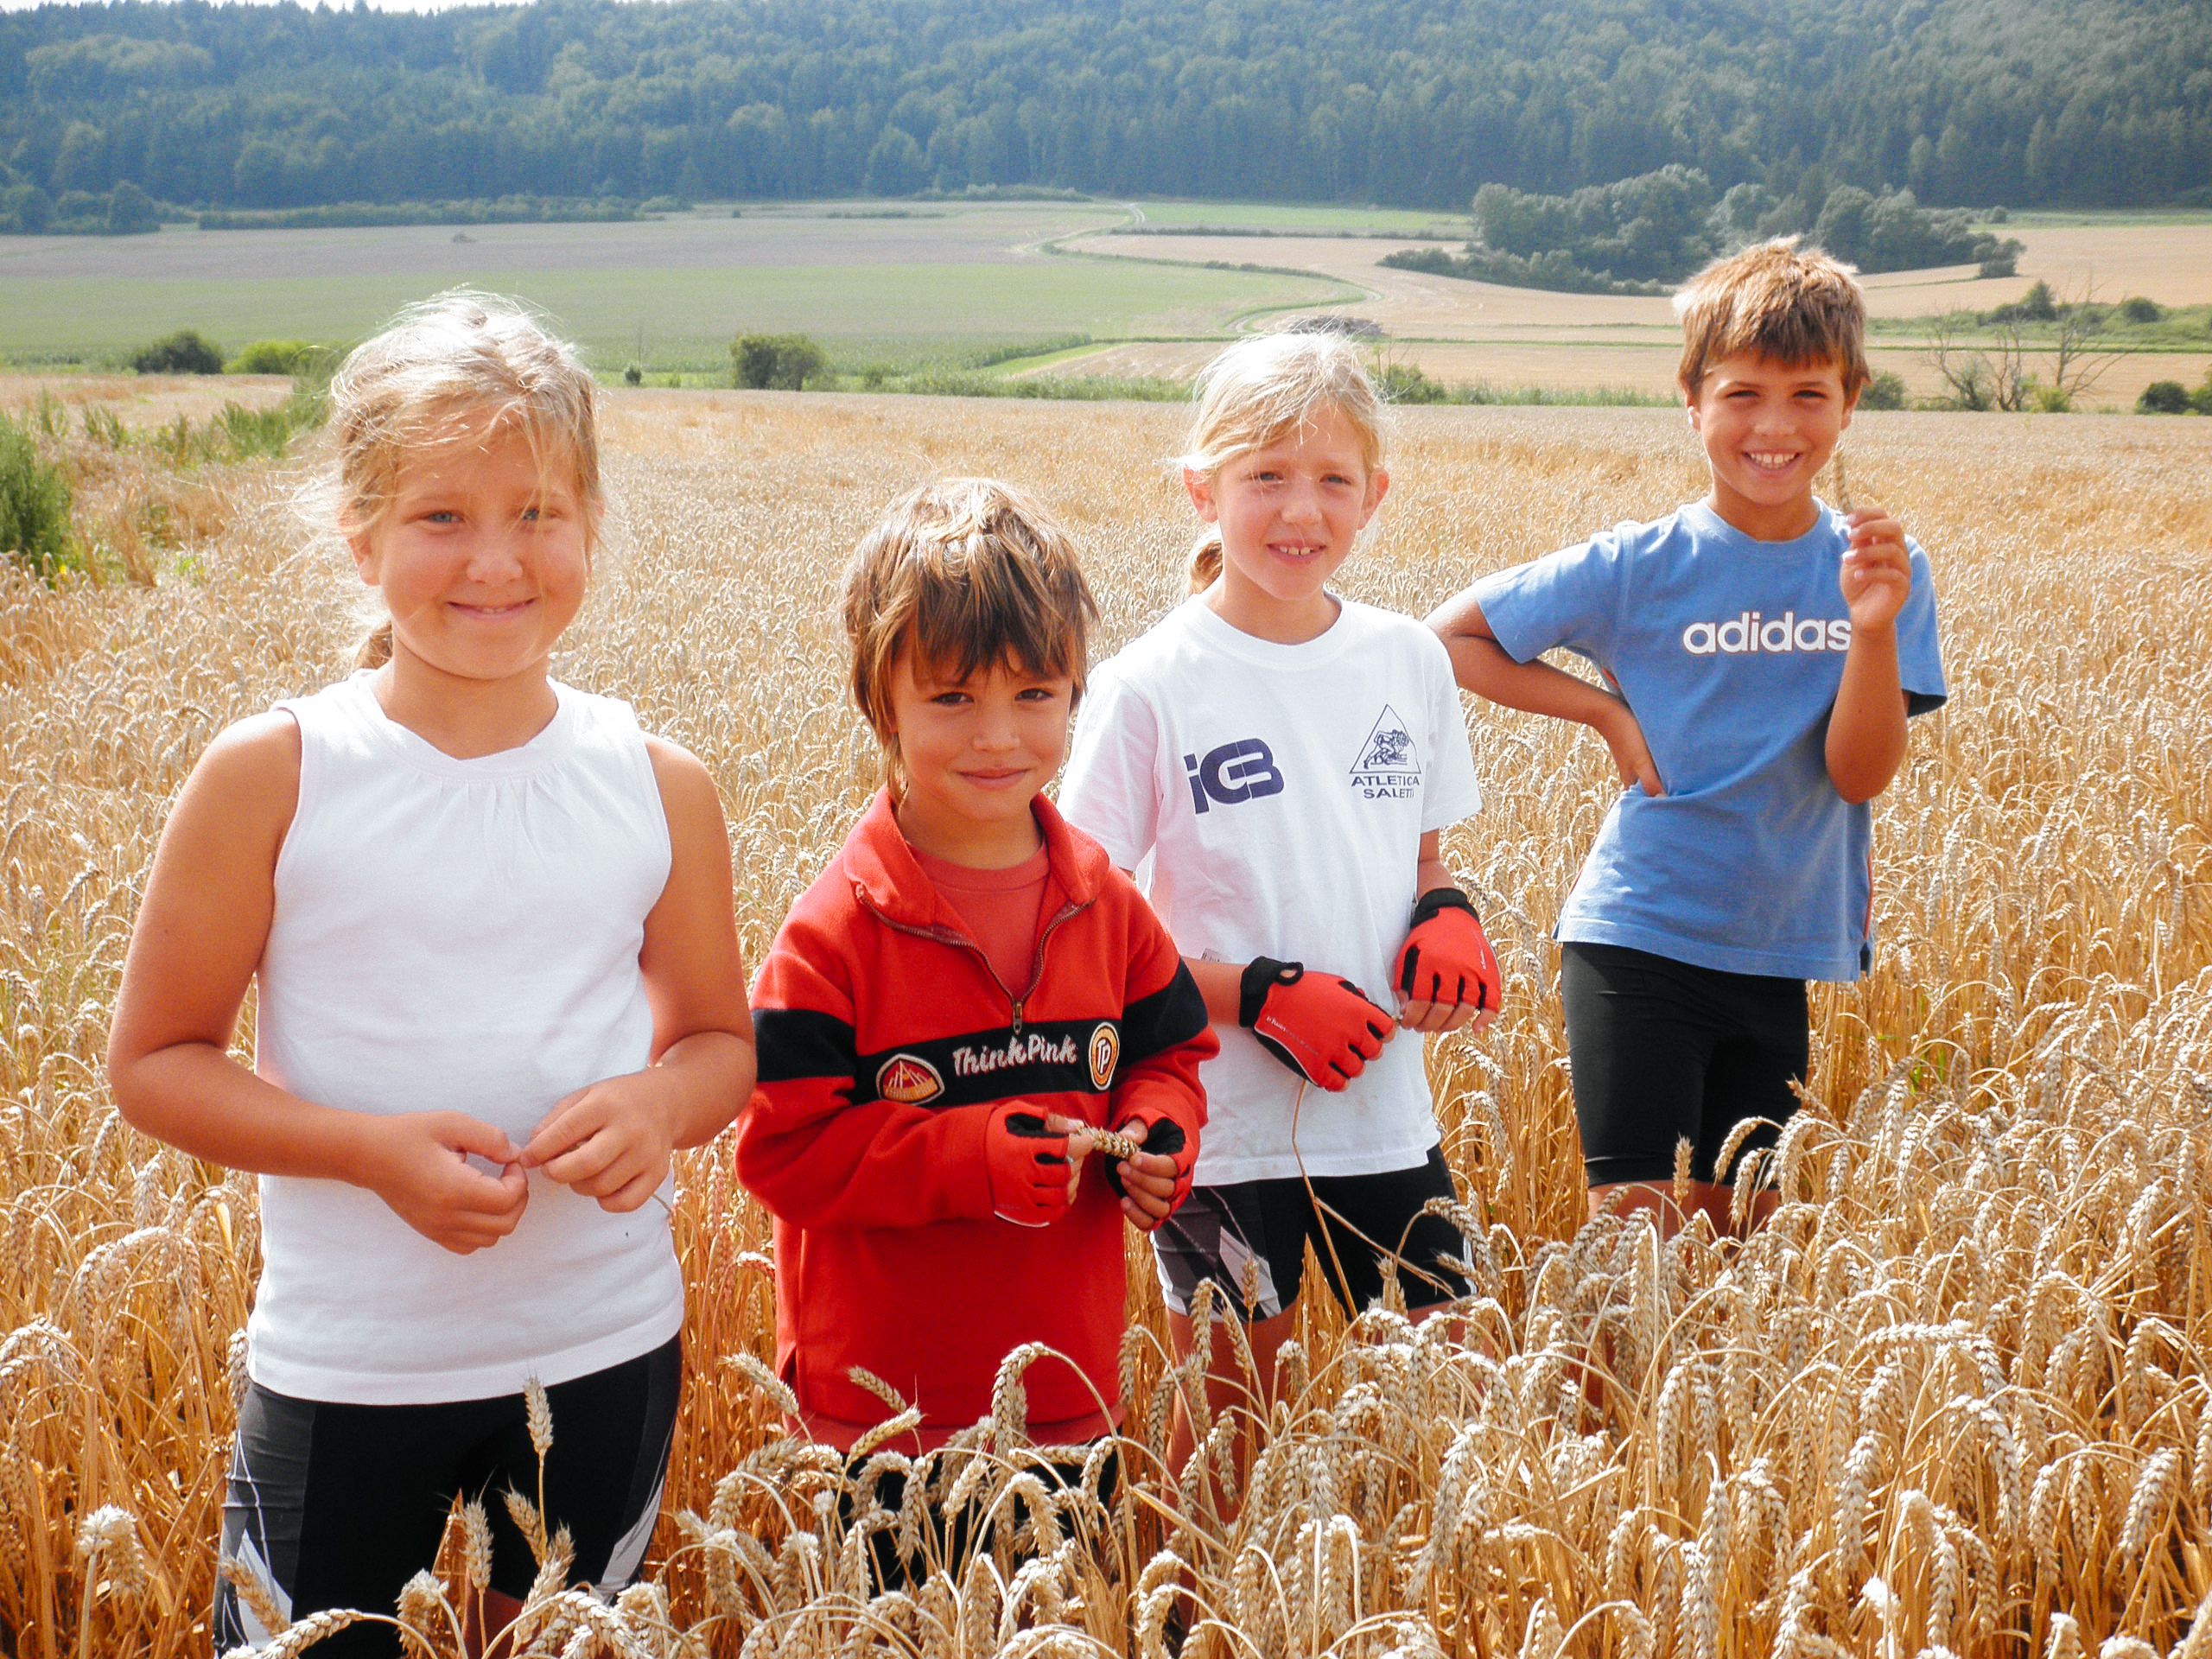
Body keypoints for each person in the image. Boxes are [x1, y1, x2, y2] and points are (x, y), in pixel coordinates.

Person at [105, 293, 756, 1657]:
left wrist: (655, 1109)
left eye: (537, 513)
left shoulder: (658, 783)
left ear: (589, 527)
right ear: (359, 537)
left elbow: (715, 1043)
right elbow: (155, 1064)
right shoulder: (273, 775)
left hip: (605, 1342)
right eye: (442, 517)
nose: (496, 560)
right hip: (352, 1361)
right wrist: (369, 1152)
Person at [734, 478, 1215, 1569]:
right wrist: (967, 1159)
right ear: (880, 703)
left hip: (1068, 1397)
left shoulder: (1108, 904)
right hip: (884, 1420)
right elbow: (783, 1151)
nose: (999, 737)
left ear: (1076, 695)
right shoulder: (833, 932)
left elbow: (1169, 1056)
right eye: (952, 699)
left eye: (1035, 695)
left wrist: (1157, 1137)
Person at [1427, 237, 1947, 1236]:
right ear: (1691, 398)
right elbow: (1450, 639)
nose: (1773, 426)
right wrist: (1605, 710)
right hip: (1639, 939)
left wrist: (1871, 627)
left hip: (1777, 952)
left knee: (1736, 1256)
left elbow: (1857, 772)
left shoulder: (1882, 566)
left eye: (1807, 395)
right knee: (1636, 1252)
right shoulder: (1640, 564)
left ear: (1850, 400)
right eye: (1742, 394)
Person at [1056, 331, 1499, 1485]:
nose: (1300, 510)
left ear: (1375, 497)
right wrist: (1258, 995)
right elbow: (1083, 923)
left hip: (1388, 1121)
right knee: (1235, 1430)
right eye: (1265, 477)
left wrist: (1445, 915)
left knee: (1449, 1414)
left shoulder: (1409, 661)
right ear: (1203, 489)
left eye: (1332, 480)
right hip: (1221, 1134)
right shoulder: (1148, 687)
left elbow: (1423, 859)